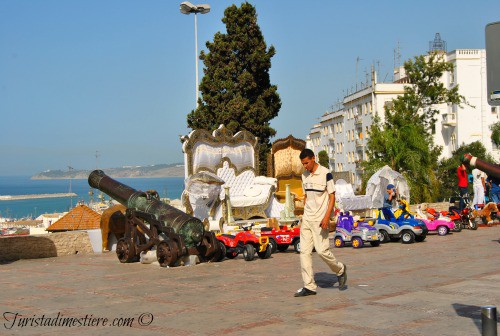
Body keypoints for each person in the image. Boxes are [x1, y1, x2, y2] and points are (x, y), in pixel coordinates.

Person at [294, 148, 347, 297]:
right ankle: (309, 286)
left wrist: (326, 218)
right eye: (303, 164)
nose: (305, 166)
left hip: (320, 220)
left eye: (307, 163)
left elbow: (332, 197)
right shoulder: (304, 176)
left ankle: (340, 270)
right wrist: (303, 215)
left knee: (322, 251)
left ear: (313, 158)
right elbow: (306, 196)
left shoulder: (326, 173)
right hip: (307, 219)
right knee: (304, 252)